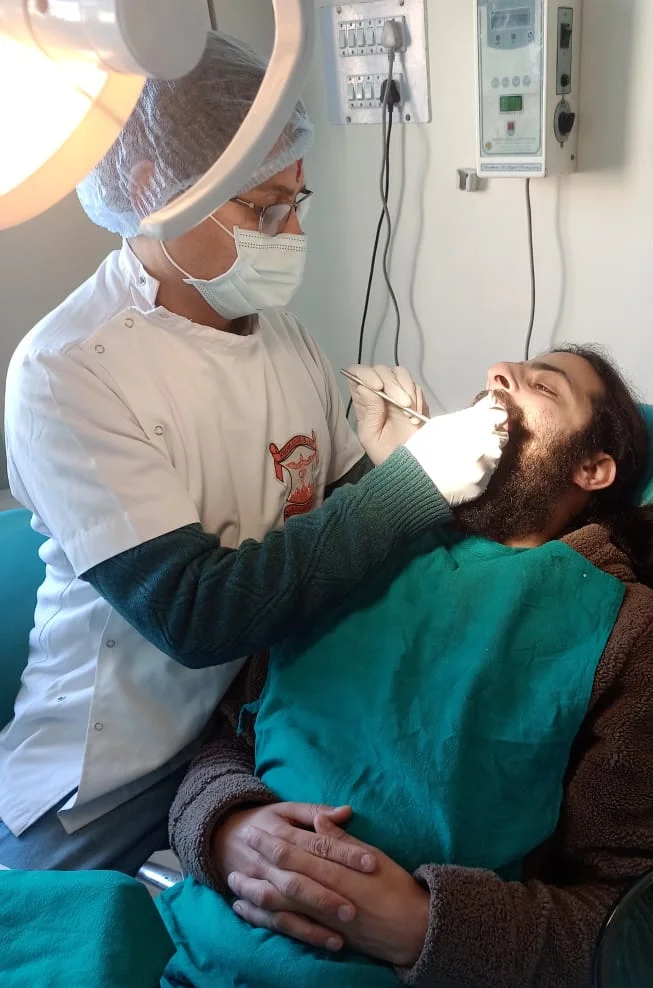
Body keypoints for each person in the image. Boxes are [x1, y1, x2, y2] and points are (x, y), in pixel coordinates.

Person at [149, 345, 653, 988]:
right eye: (503, 372)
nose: (500, 376)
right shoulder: (360, 545)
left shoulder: (632, 636)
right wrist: (227, 829)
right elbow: (224, 741)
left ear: (592, 469)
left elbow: (646, 927)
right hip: (188, 980)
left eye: (543, 384)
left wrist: (424, 927)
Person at [0, 33, 506, 872]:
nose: (292, 232)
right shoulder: (67, 371)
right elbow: (199, 615)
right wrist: (408, 486)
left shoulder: (284, 339)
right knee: (68, 943)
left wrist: (391, 471)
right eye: (263, 208)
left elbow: (348, 525)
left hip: (252, 728)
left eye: (296, 201)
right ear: (150, 190)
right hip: (109, 775)